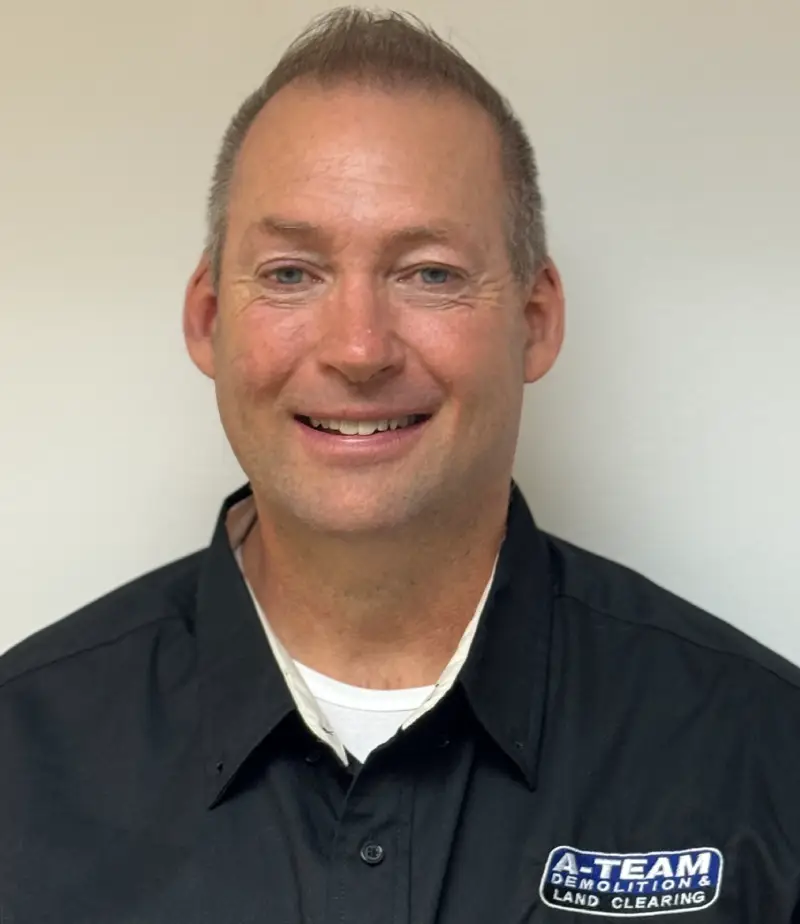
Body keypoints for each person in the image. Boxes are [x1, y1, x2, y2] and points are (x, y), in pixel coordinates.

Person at [1, 7, 798, 922]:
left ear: (534, 322)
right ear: (208, 317)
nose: (359, 349)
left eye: (429, 273)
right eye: (293, 272)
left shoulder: (762, 755)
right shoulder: (21, 754)